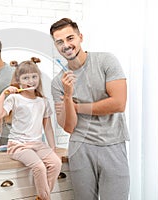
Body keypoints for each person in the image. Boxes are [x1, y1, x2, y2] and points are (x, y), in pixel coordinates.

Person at [50, 18, 130, 200]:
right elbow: (69, 127)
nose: (66, 45)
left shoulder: (105, 61)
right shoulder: (58, 83)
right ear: (56, 46)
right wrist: (68, 95)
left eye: (70, 38)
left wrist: (76, 106)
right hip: (80, 148)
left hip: (112, 144)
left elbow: (118, 104)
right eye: (60, 42)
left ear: (80, 37)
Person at [0, 57, 62, 200]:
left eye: (34, 76)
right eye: (26, 78)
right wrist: (4, 93)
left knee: (56, 163)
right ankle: (45, 198)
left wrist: (53, 149)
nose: (31, 81)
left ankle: (42, 197)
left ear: (39, 78)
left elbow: (47, 127)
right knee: (39, 167)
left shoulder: (43, 101)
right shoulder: (14, 98)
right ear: (18, 81)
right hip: (18, 145)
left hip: (37, 144)